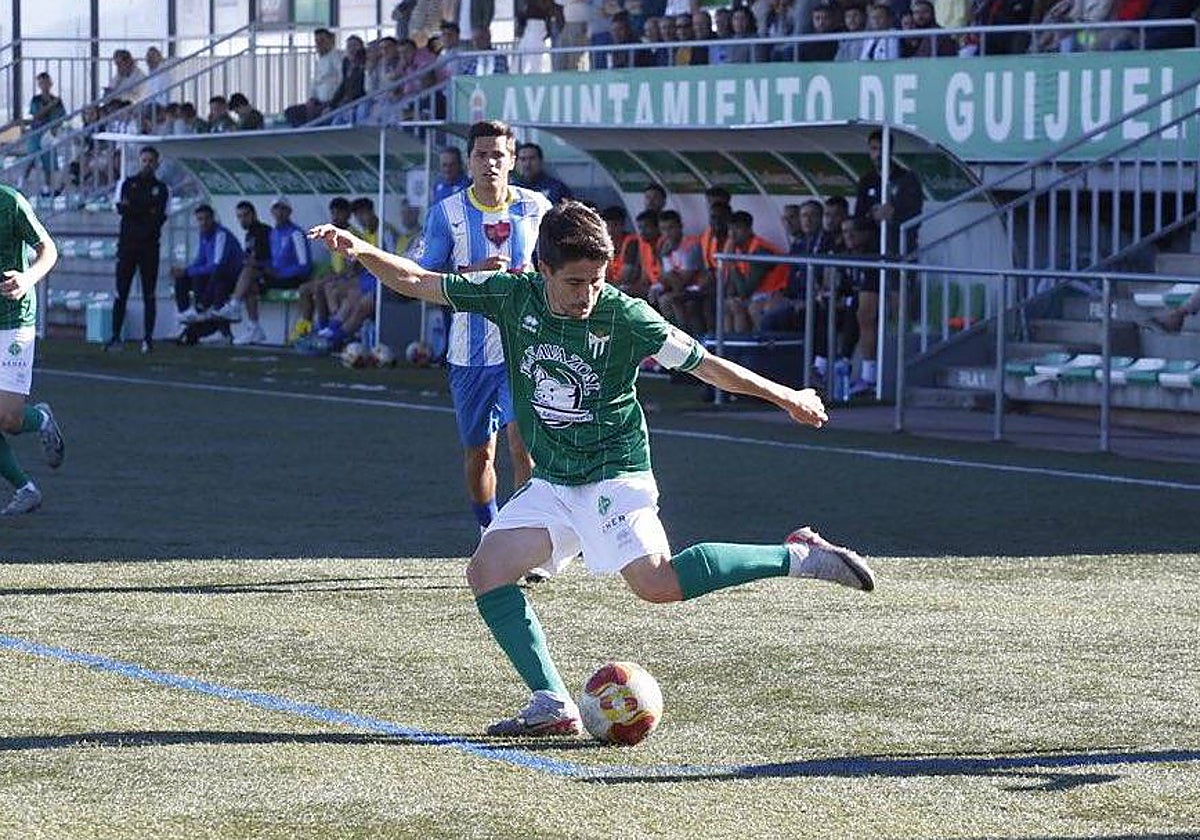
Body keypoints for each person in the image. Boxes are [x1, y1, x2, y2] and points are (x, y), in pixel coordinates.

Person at [309, 200, 875, 736]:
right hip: (554, 481)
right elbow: (416, 281)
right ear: (542, 269)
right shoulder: (511, 294)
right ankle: (552, 702)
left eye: (597, 281)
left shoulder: (626, 317)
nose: (587, 294)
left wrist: (786, 396)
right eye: (574, 282)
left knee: (657, 585)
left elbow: (706, 366)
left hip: (613, 473)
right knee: (486, 572)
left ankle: (799, 555)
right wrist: (360, 249)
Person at [415, 120, 550, 535]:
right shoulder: (447, 214)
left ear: (512, 160)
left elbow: (560, 265)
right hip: (469, 353)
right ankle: (489, 528)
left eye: (498, 155)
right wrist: (469, 273)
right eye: (481, 155)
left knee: (523, 443)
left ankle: (525, 537)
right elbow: (419, 276)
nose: (490, 162)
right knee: (480, 453)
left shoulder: (537, 208)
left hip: (526, 346)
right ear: (469, 161)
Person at [0, 185, 65, 515]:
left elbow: (48, 250)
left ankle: (40, 418)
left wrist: (26, 280)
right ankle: (26, 489)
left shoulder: (8, 201)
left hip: (12, 317)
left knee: (8, 419)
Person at [853, 130, 923, 395]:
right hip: (873, 255)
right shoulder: (867, 181)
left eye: (881, 148)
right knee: (866, 314)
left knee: (896, 316)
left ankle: (896, 374)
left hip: (897, 255)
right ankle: (869, 376)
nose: (877, 154)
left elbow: (914, 215)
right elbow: (859, 218)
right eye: (872, 148)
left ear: (891, 150)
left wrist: (893, 214)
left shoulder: (906, 179)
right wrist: (873, 215)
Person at [216, 198, 312, 345]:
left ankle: (234, 305)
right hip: (276, 276)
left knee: (249, 272)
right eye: (276, 209)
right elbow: (273, 261)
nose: (279, 213)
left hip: (293, 278)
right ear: (272, 212)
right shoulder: (273, 234)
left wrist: (279, 272)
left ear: (289, 212)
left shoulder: (296, 233)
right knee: (250, 286)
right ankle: (254, 328)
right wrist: (264, 266)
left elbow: (305, 266)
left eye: (282, 209)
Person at [108, 145, 169, 354]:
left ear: (157, 163)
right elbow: (122, 208)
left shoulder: (162, 189)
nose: (147, 164)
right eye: (144, 160)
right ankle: (115, 336)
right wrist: (145, 210)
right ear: (139, 161)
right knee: (120, 292)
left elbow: (158, 216)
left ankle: (148, 338)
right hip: (127, 245)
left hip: (150, 247)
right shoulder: (127, 183)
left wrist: (135, 210)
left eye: (151, 161)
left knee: (148, 294)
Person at [293, 197, 356, 342]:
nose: (335, 217)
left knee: (321, 287)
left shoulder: (353, 235)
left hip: (347, 279)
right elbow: (334, 264)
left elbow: (353, 268)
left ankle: (324, 329)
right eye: (333, 213)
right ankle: (305, 327)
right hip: (336, 277)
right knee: (304, 289)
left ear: (348, 214)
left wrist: (335, 276)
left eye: (339, 213)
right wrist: (326, 274)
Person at [171, 204, 243, 329]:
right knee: (181, 278)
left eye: (206, 219)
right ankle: (185, 315)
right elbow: (200, 260)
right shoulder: (203, 235)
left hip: (229, 277)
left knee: (199, 277)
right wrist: (185, 271)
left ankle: (201, 309)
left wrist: (188, 272)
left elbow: (217, 266)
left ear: (212, 218)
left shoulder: (221, 234)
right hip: (214, 276)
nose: (203, 222)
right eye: (200, 219)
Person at [24, 72, 66, 196]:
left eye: (46, 82)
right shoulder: (36, 100)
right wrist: (50, 106)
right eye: (41, 83)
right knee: (31, 157)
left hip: (49, 133)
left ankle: (47, 187)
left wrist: (55, 128)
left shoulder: (57, 101)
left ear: (51, 83)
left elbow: (61, 116)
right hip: (37, 132)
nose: (44, 85)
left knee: (49, 161)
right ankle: (22, 181)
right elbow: (36, 115)